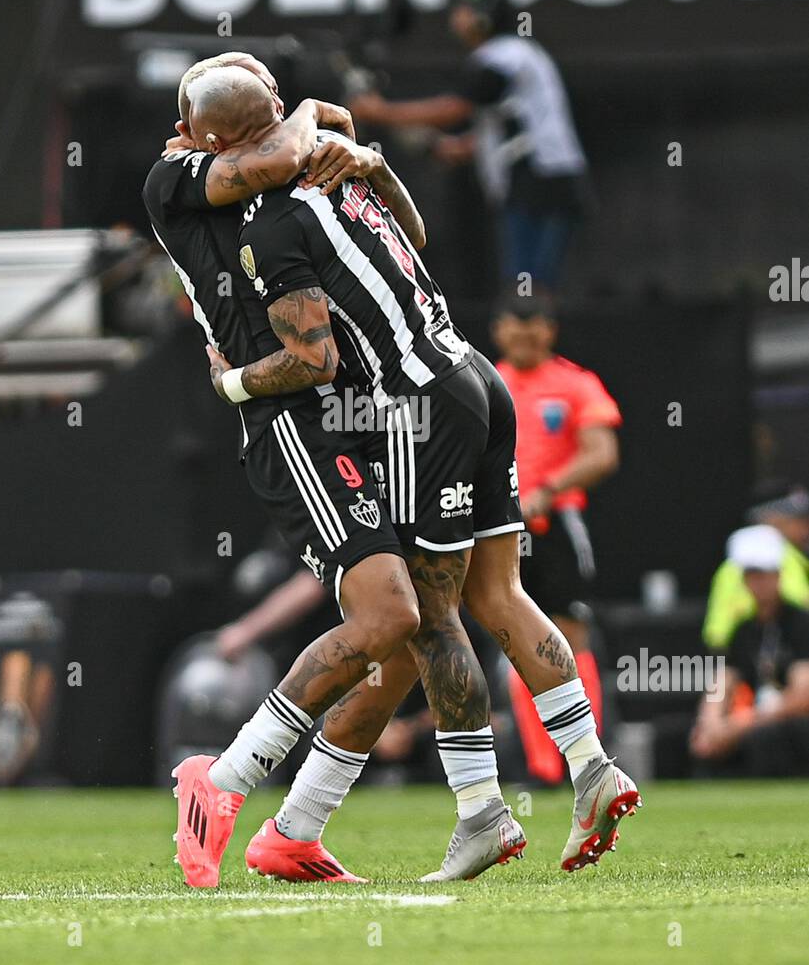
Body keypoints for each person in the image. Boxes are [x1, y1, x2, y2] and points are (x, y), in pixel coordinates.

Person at [191, 73, 640, 879]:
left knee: (428, 619)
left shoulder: (268, 220)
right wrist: (368, 158)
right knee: (497, 596)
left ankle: (482, 812)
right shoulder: (340, 164)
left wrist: (227, 381)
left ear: (224, 147)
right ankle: (590, 765)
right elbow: (418, 233)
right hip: (474, 375)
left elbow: (313, 357)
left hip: (414, 406)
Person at [143, 59, 428, 887]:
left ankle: (295, 829)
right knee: (387, 617)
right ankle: (222, 779)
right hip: (291, 421)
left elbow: (407, 234)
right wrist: (305, 111)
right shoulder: (177, 174)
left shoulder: (271, 162)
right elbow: (271, 156)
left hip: (354, 410)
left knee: (409, 633)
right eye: (270, 105)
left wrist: (362, 153)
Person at [351, 0, 588, 286]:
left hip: (539, 183)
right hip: (543, 180)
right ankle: (532, 325)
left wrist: (380, 111)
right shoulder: (518, 54)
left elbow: (455, 109)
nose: (456, 19)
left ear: (482, 17)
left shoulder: (504, 56)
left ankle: (530, 330)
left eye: (463, 10)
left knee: (529, 285)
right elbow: (511, 124)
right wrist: (460, 148)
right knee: (531, 282)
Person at [491, 290, 621, 783]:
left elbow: (602, 453)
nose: (525, 335)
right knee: (514, 641)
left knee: (572, 635)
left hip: (556, 526)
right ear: (500, 329)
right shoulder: (487, 380)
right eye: (515, 325)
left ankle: (586, 760)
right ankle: (543, 766)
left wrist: (547, 490)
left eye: (535, 325)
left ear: (550, 329)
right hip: (500, 529)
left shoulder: (575, 384)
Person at [691, 525, 809, 774]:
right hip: (754, 717)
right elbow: (723, 682)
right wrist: (709, 724)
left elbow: (801, 696)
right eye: (751, 575)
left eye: (764, 574)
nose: (758, 583)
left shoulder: (801, 623)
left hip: (787, 724)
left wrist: (740, 725)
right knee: (694, 740)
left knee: (769, 737)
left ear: (778, 575)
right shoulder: (743, 630)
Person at [703, 481, 809, 650]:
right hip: (747, 656)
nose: (805, 529)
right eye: (797, 520)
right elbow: (717, 636)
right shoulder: (782, 559)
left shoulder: (796, 557)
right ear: (771, 517)